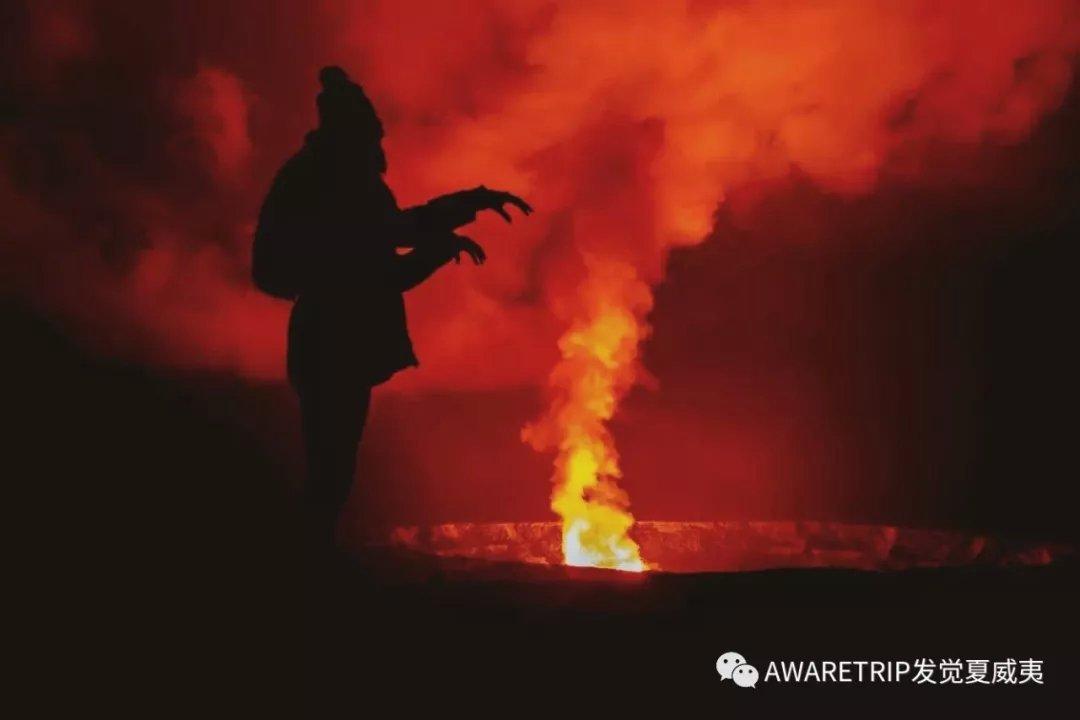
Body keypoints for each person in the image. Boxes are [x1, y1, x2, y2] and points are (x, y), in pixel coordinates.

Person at [252, 66, 531, 555]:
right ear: (354, 132)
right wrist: (458, 221)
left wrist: (454, 226)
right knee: (330, 469)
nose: (380, 142)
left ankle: (309, 562)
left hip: (333, 339)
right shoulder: (332, 181)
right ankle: (305, 568)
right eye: (372, 132)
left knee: (333, 467)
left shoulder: (328, 176)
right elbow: (389, 250)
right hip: (333, 341)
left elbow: (386, 259)